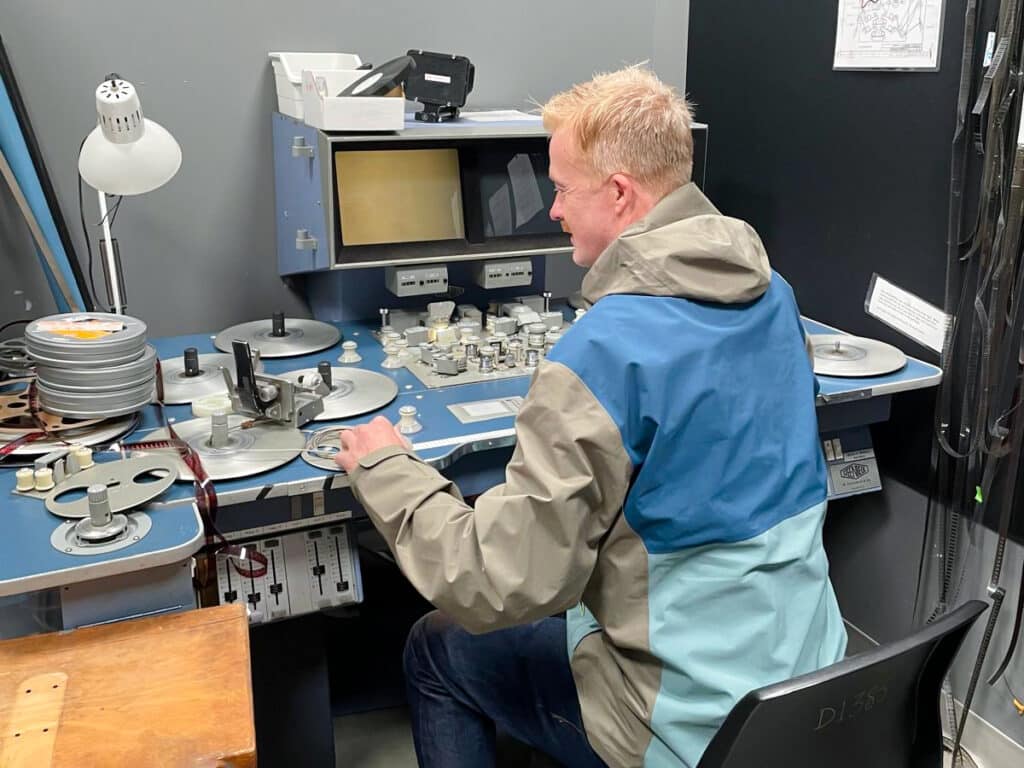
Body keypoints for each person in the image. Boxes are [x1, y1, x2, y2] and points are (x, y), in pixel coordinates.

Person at [336, 66, 847, 768]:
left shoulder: (603, 351)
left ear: (618, 193)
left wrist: (387, 467)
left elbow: (495, 582)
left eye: (561, 189)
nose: (553, 212)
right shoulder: (774, 294)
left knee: (437, 645)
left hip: (687, 726)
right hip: (803, 679)